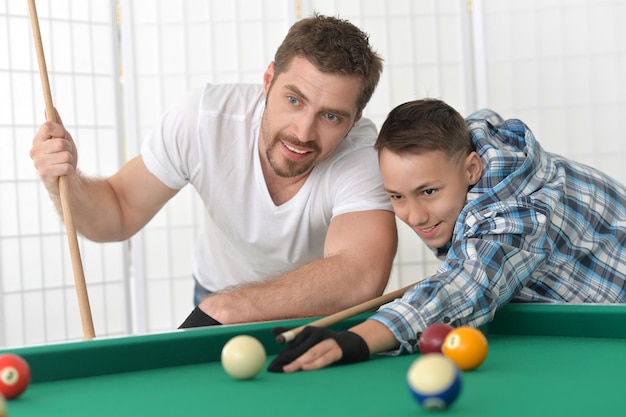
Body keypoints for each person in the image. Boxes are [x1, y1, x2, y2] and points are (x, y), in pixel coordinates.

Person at [29, 14, 398, 328]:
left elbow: (359, 274)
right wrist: (66, 183)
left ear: (355, 121)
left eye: (331, 116)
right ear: (268, 81)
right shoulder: (204, 121)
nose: (303, 133)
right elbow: (118, 212)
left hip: (319, 311)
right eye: (293, 100)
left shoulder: (362, 154)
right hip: (217, 294)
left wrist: (229, 308)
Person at [268, 98, 626, 372]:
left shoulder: (519, 215)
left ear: (472, 168)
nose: (415, 216)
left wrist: (361, 339)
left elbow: (466, 284)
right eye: (397, 196)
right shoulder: (462, 152)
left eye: (428, 192)